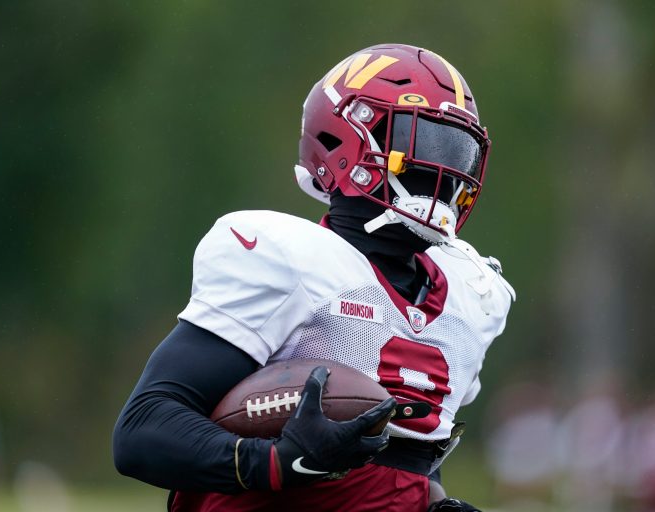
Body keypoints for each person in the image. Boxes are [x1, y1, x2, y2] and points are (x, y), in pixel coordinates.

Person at [113, 43, 514, 512]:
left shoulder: (472, 295)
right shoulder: (291, 262)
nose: (444, 171)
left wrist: (435, 505)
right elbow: (142, 430)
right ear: (346, 140)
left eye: (456, 150)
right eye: (422, 143)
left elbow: (405, 465)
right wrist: (277, 462)